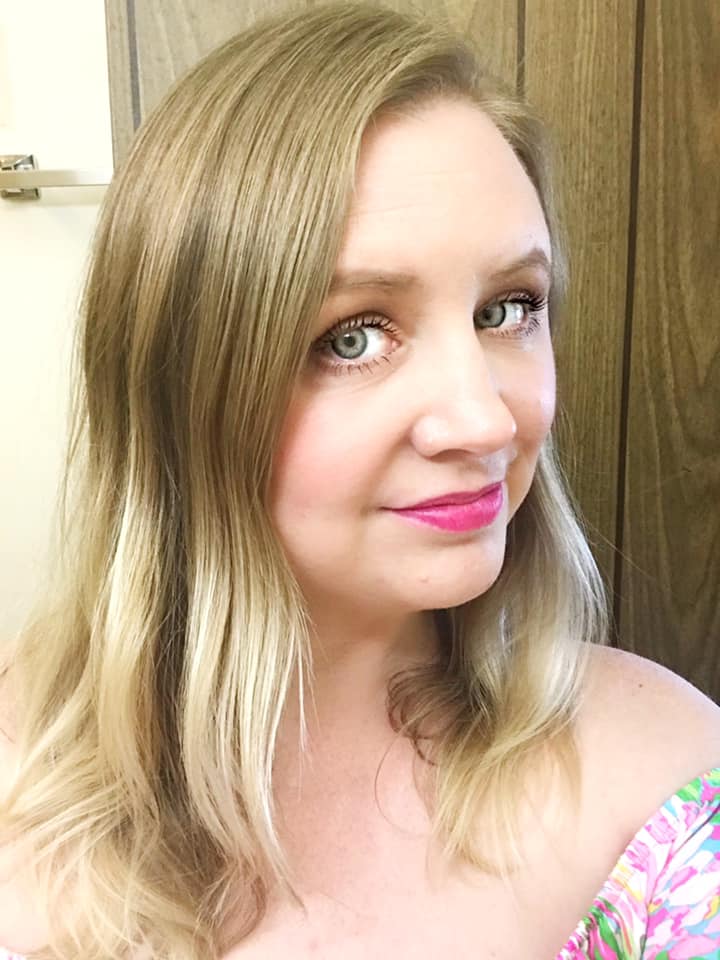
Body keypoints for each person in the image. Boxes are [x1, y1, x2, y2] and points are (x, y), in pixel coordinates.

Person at [1, 3, 719, 958]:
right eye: (353, 336)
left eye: (508, 309)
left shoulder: (666, 787)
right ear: (178, 391)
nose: (486, 421)